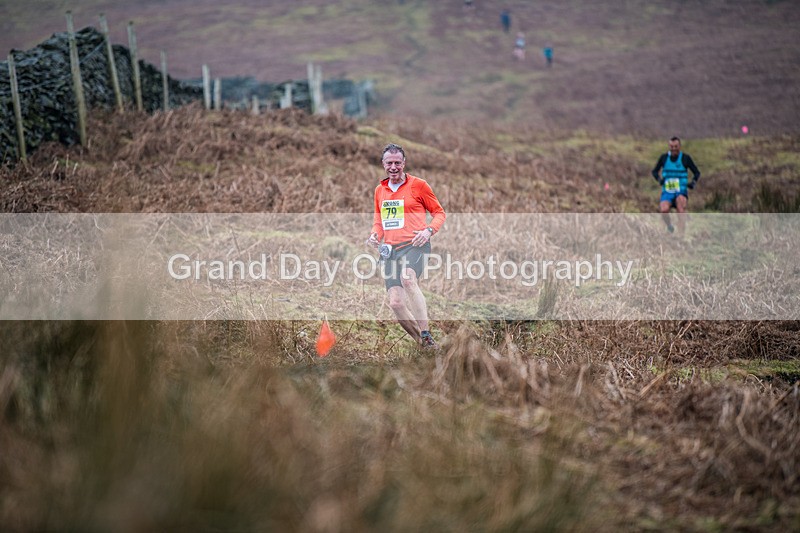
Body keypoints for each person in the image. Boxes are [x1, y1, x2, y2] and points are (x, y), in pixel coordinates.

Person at [366, 143, 446, 349]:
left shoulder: (419, 185)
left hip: (415, 245)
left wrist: (428, 230)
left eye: (397, 163)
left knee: (408, 279)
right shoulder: (379, 190)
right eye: (389, 163)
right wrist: (375, 235)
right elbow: (379, 221)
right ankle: (424, 345)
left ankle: (426, 332)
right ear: (383, 164)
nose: (393, 167)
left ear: (404, 163)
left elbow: (439, 213)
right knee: (396, 303)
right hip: (391, 250)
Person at [651, 136, 701, 234]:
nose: (674, 149)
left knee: (680, 210)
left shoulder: (686, 158)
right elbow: (654, 171)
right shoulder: (664, 158)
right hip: (667, 191)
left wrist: (693, 183)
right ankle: (669, 226)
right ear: (669, 146)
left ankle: (681, 235)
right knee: (664, 210)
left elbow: (697, 172)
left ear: (680, 146)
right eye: (672, 146)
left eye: (676, 146)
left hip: (681, 190)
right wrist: (659, 180)